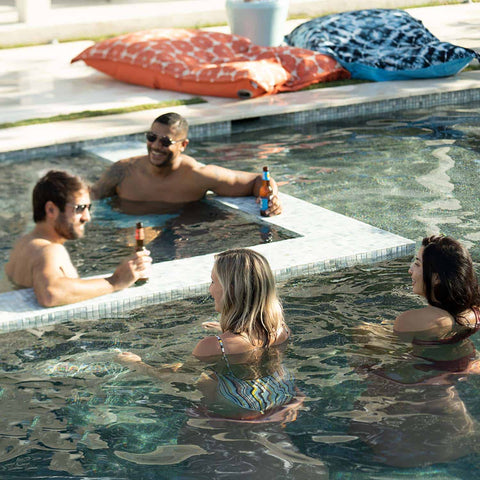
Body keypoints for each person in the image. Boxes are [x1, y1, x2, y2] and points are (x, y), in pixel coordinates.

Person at [119, 248, 299, 422]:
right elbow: (254, 351)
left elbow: (177, 377)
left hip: (241, 410)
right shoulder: (282, 329)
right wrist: (226, 331)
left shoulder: (215, 346)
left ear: (230, 290)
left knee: (189, 374)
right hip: (279, 393)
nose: (210, 289)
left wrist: (138, 364)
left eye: (213, 282)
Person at [5, 170, 152, 307]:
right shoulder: (49, 250)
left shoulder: (25, 242)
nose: (87, 217)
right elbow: (50, 294)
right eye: (79, 208)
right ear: (51, 210)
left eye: (89, 208)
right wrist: (115, 281)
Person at [91, 112, 282, 216]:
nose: (156, 146)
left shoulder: (197, 176)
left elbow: (258, 180)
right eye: (151, 138)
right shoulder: (123, 170)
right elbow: (91, 196)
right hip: (123, 229)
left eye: (165, 142)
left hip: (173, 233)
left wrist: (271, 198)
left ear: (183, 145)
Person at [394, 235, 480, 345]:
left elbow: (388, 349)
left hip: (427, 362)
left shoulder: (408, 320)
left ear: (437, 278)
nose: (410, 270)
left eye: (417, 264)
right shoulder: (474, 311)